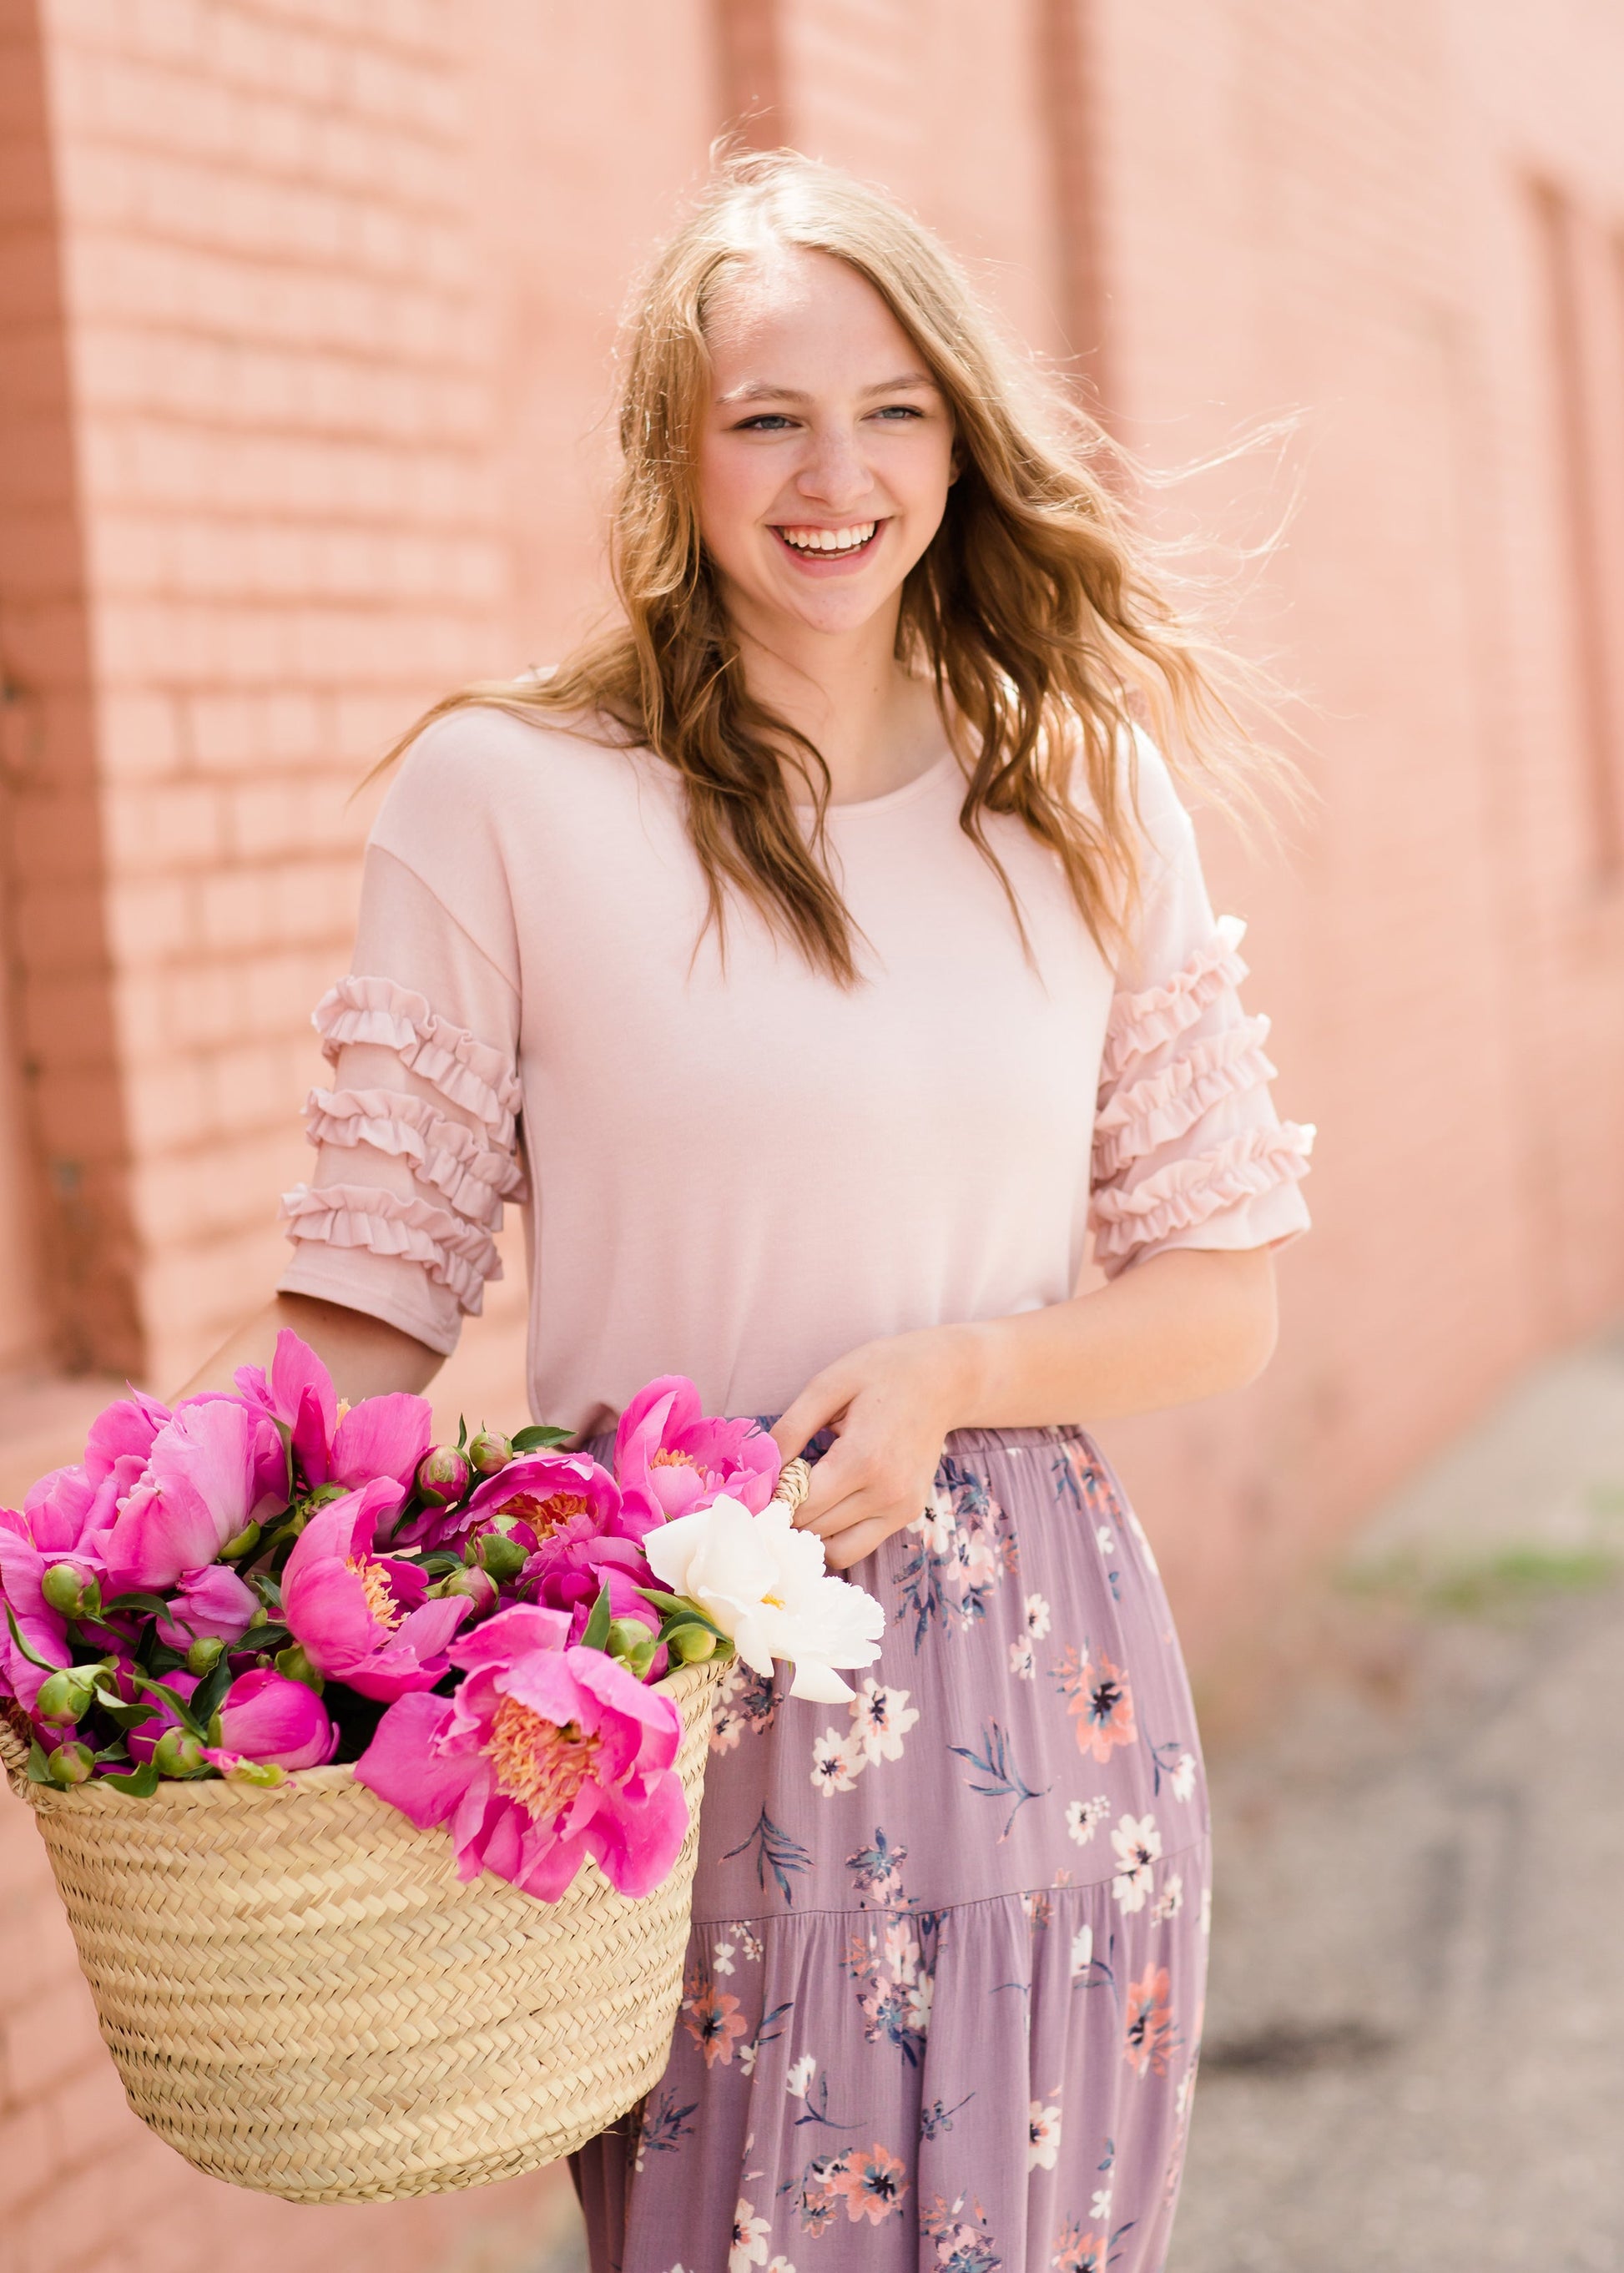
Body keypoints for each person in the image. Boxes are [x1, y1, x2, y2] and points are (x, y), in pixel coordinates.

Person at [188, 153, 1311, 2273]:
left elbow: (1218, 1298)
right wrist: (132, 1572)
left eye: (892, 409)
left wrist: (967, 1365)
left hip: (1034, 1663)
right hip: (661, 1679)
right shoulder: (504, 800)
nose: (835, 474)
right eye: (765, 416)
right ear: (671, 452)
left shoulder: (1074, 786)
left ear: (960, 440)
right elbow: (363, 1321)